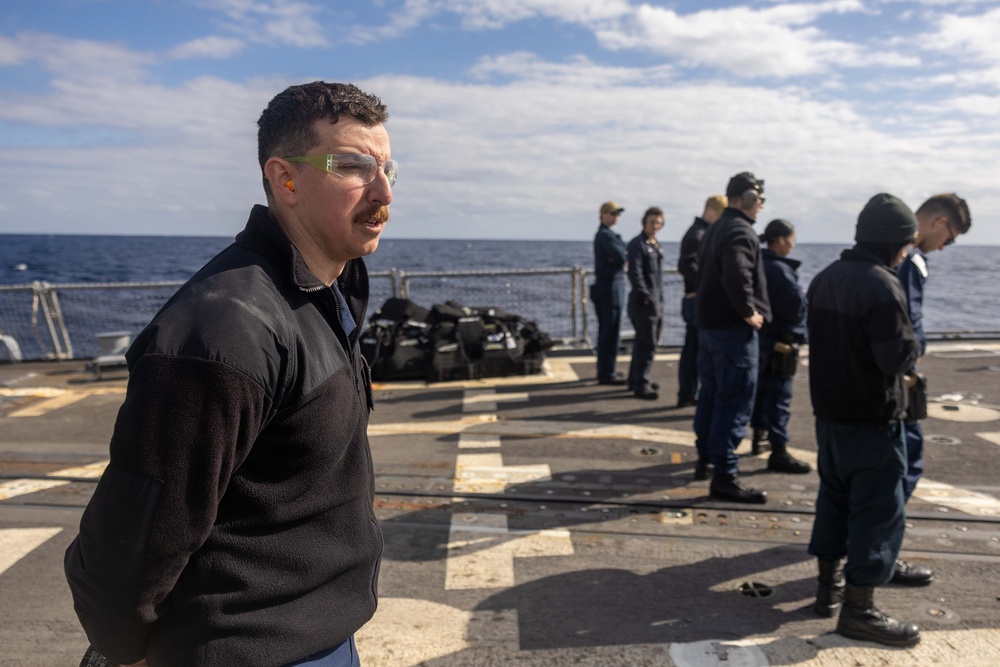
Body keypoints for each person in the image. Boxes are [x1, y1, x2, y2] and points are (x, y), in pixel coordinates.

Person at [64, 81, 395, 667]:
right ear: (285, 178)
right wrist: (123, 652)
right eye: (353, 166)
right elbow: (131, 540)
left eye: (388, 168)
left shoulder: (327, 293)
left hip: (320, 638)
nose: (383, 190)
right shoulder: (224, 328)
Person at [806, 193, 921, 647]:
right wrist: (914, 348)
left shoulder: (825, 277)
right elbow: (896, 359)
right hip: (872, 420)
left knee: (833, 501)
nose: (908, 251)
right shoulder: (882, 284)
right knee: (878, 512)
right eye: (907, 243)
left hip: (829, 417)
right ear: (895, 242)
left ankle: (827, 590)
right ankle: (859, 610)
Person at [892, 193, 971, 586]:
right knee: (907, 460)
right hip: (899, 377)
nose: (947, 245)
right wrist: (911, 366)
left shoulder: (893, 251)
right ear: (939, 222)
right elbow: (907, 319)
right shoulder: (911, 260)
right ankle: (884, 553)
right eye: (951, 236)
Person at [692, 172, 770, 503]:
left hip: (709, 330)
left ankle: (706, 458)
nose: (762, 204)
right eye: (759, 197)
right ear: (743, 199)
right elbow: (737, 272)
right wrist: (747, 310)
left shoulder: (715, 229)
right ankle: (725, 475)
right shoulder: (739, 230)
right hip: (731, 333)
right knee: (734, 400)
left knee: (710, 396)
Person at [749, 219, 811, 474]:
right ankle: (779, 450)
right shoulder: (780, 270)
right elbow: (797, 305)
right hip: (780, 341)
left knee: (760, 393)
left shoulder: (758, 263)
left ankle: (758, 437)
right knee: (778, 397)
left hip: (760, 339)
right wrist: (796, 335)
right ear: (782, 240)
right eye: (792, 238)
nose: (793, 244)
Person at [676, 195, 727, 408]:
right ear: (710, 210)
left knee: (694, 348)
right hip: (696, 300)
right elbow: (687, 266)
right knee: (695, 350)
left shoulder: (700, 233)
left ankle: (688, 392)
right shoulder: (697, 235)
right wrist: (710, 285)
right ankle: (688, 393)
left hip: (696, 299)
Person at [626, 207, 665, 400]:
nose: (655, 225)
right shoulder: (637, 244)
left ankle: (636, 379)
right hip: (644, 303)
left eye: (658, 222)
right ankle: (642, 384)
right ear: (644, 222)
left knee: (644, 343)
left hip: (656, 301)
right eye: (652, 222)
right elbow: (635, 273)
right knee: (646, 344)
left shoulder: (655, 244)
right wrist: (646, 296)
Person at [591, 201, 628, 385]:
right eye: (612, 214)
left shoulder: (610, 235)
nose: (616, 217)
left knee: (610, 330)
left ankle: (607, 369)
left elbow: (623, 255)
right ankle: (607, 372)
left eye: (617, 214)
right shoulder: (605, 236)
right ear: (603, 214)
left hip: (612, 285)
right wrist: (623, 255)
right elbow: (622, 256)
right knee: (609, 331)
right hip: (609, 286)